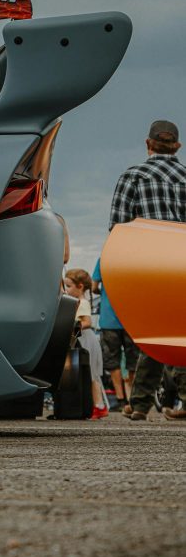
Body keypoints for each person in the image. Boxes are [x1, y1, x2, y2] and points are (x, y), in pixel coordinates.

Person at [109, 119, 186, 421]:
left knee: (154, 331)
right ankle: (140, 404)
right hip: (182, 261)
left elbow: (117, 227)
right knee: (178, 328)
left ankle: (141, 404)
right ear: (177, 146)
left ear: (148, 144)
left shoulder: (134, 176)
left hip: (148, 265)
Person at [92, 258, 138, 412]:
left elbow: (93, 286)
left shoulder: (104, 259)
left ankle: (120, 399)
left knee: (113, 361)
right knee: (133, 360)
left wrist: (104, 292)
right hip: (131, 318)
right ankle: (133, 398)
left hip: (109, 318)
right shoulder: (134, 258)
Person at [63, 268, 108, 419]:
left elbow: (86, 322)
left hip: (86, 339)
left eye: (69, 286)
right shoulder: (80, 302)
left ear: (80, 286)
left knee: (91, 374)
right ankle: (97, 405)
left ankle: (99, 405)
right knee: (91, 374)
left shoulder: (82, 302)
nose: (66, 290)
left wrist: (72, 333)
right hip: (84, 339)